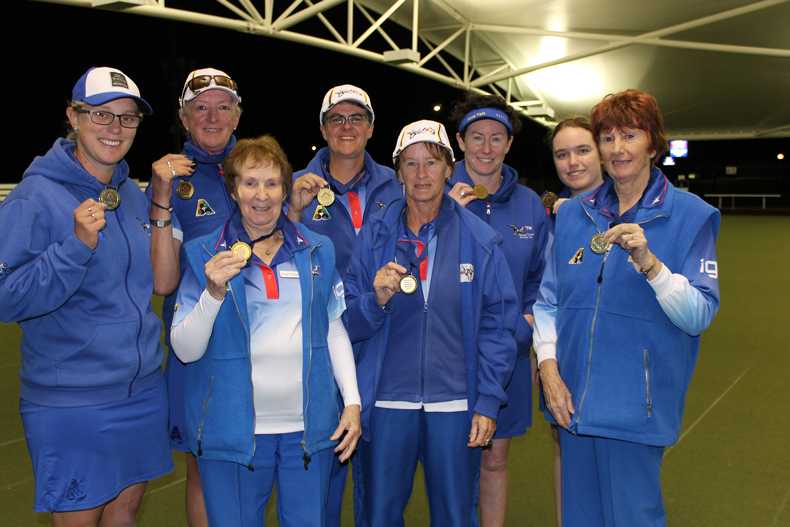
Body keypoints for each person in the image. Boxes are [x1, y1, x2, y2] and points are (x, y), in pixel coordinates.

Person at [533, 90, 721, 526]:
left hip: (636, 407)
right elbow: (548, 301)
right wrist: (548, 369)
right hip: (572, 402)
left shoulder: (691, 215)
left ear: (653, 144)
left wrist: (651, 266)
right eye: (609, 137)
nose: (617, 149)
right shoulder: (573, 215)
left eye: (630, 136)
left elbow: (698, 315)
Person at [0, 66, 172, 525]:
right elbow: (4, 298)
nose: (115, 129)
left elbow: (150, 284)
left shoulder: (129, 196)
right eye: (100, 115)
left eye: (127, 118)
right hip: (71, 400)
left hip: (141, 390)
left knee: (124, 515)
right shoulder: (34, 198)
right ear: (73, 118)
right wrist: (74, 249)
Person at [169, 135, 362, 526]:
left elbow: (333, 329)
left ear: (285, 189)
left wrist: (353, 403)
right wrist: (212, 293)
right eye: (250, 182)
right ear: (234, 190)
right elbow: (185, 350)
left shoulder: (317, 249)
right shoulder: (204, 252)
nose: (262, 194)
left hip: (308, 431)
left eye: (272, 183)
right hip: (233, 435)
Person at [343, 119, 518, 526]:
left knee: (456, 515)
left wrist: (488, 400)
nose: (422, 175)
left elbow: (499, 326)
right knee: (379, 515)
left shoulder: (479, 239)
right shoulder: (373, 237)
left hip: (455, 403)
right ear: (398, 172)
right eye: (411, 164)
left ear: (449, 169)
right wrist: (376, 300)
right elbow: (348, 321)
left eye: (432, 163)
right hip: (387, 401)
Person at [287, 83, 402, 526]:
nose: (347, 126)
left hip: (384, 342)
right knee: (322, 481)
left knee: (379, 485)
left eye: (357, 118)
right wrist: (292, 214)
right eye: (337, 118)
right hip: (322, 346)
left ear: (371, 127)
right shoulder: (295, 186)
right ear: (323, 128)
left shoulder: (398, 183)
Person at [446, 93, 548, 527]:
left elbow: (541, 280)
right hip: (444, 354)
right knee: (446, 465)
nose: (486, 148)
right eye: (477, 138)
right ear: (460, 141)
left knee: (494, 459)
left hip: (504, 355)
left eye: (496, 138)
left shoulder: (528, 204)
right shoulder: (435, 191)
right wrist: (448, 213)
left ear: (508, 145)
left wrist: (524, 326)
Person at [148, 67, 242, 527]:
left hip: (258, 341)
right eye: (200, 108)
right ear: (184, 118)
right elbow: (163, 283)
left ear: (237, 114)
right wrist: (162, 197)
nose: (212, 116)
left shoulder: (256, 168)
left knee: (259, 460)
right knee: (204, 469)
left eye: (223, 106)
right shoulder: (173, 181)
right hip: (199, 345)